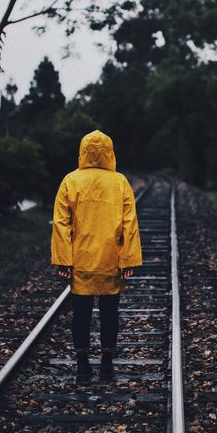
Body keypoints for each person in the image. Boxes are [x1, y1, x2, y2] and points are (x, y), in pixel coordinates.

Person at [51, 129, 142, 385]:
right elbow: (129, 223)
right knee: (109, 312)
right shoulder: (120, 182)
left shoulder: (70, 180)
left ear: (83, 151)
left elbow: (61, 223)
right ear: (109, 152)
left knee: (81, 312)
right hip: (110, 260)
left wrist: (63, 260)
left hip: (80, 261)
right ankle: (106, 366)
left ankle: (82, 367)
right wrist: (128, 260)